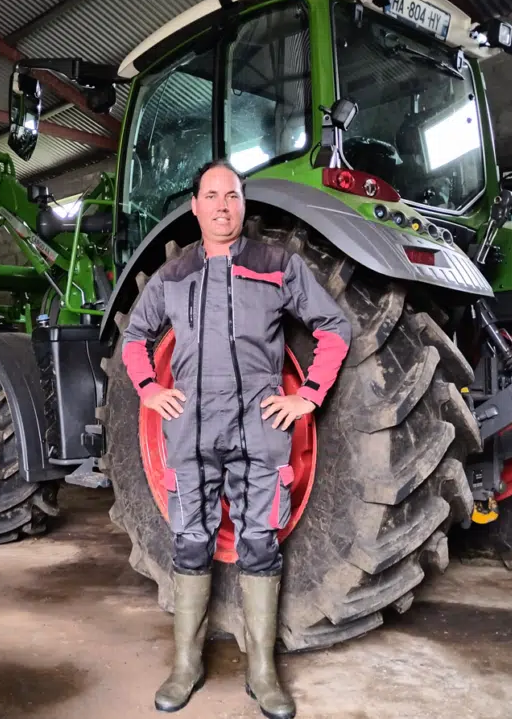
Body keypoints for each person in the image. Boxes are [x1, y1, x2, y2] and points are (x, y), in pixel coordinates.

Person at [121, 160, 352, 719]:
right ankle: (185, 665)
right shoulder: (172, 276)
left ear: (243, 207)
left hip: (259, 430)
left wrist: (308, 396)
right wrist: (149, 389)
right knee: (191, 543)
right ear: (195, 206)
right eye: (212, 195)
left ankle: (263, 672)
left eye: (233, 196)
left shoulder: (278, 266)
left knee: (259, 543)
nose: (223, 205)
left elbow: (334, 327)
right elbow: (135, 337)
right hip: (191, 431)